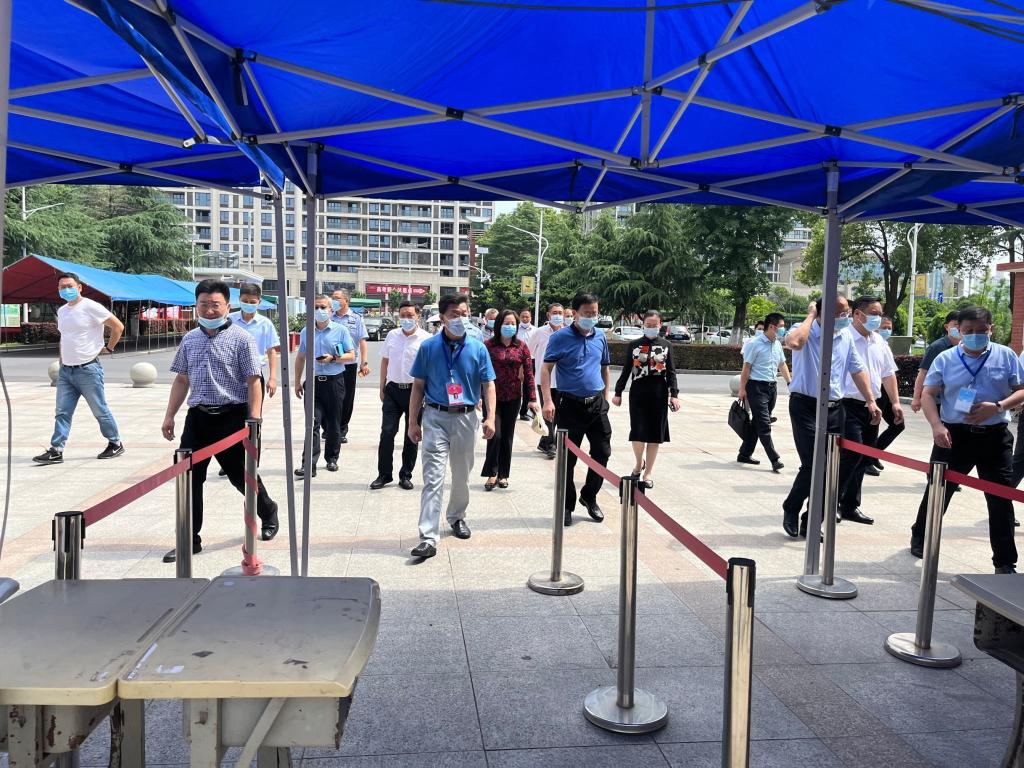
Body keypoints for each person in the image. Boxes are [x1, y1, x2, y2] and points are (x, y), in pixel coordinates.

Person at [160, 279, 279, 563]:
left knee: (242, 477)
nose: (209, 310)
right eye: (204, 304)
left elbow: (254, 381)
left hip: (232, 418)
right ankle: (189, 540)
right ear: (196, 306)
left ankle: (268, 510)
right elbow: (181, 379)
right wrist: (169, 415)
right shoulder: (190, 339)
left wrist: (254, 420)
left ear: (227, 306)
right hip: (198, 419)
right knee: (189, 480)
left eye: (215, 305)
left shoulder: (242, 339)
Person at [911, 306, 1024, 574]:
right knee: (938, 490)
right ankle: (921, 536)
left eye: (981, 330)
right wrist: (936, 426)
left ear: (991, 330)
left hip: (994, 438)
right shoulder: (946, 358)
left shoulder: (1006, 355)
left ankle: (1005, 561)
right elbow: (928, 394)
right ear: (958, 331)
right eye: (969, 331)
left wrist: (998, 406)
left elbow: (1021, 390)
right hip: (954, 436)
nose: (975, 335)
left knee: (1000, 498)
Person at [781, 297, 880, 538]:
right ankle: (791, 507)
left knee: (841, 462)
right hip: (805, 405)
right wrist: (811, 315)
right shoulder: (804, 330)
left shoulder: (845, 336)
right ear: (821, 312)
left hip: (835, 408)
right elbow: (794, 343)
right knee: (815, 462)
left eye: (846, 312)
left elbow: (857, 369)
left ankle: (813, 519)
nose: (844, 317)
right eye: (839, 313)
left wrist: (870, 400)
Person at [407, 294, 496, 559]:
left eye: (464, 314)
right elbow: (418, 386)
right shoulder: (428, 347)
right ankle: (428, 536)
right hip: (435, 416)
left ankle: (457, 516)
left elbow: (488, 384)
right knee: (433, 478)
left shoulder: (478, 348)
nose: (460, 319)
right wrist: (413, 422)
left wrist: (490, 417)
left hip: (466, 418)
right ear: (443, 318)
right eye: (455, 314)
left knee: (461, 475)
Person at [34, 272, 125, 465]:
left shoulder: (91, 306)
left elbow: (118, 326)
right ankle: (56, 450)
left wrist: (109, 348)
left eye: (70, 286)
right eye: (62, 287)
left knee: (99, 410)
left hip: (88, 369)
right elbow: (65, 337)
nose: (66, 289)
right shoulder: (62, 311)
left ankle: (115, 442)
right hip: (66, 371)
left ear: (79, 287)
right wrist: (62, 361)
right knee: (62, 412)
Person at [542, 292, 611, 526]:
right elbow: (546, 369)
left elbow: (604, 367)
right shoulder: (560, 338)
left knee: (603, 452)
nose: (591, 317)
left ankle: (589, 496)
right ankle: (567, 505)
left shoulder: (600, 336)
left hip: (597, 405)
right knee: (567, 460)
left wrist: (605, 397)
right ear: (575, 313)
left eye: (595, 313)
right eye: (587, 313)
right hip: (570, 405)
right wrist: (547, 400)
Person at [835, 297, 903, 525]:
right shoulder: (843, 338)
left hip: (872, 407)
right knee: (851, 455)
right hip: (847, 405)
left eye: (879, 313)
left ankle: (850, 505)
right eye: (873, 313)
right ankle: (832, 501)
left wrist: (895, 402)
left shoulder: (879, 341)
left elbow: (888, 373)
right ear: (857, 314)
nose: (878, 318)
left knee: (864, 457)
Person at [612, 310, 680, 489]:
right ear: (643, 325)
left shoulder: (666, 345)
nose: (651, 328)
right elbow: (626, 370)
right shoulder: (634, 345)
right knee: (638, 432)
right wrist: (618, 392)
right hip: (638, 393)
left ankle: (648, 472)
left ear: (660, 325)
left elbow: (671, 372)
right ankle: (638, 463)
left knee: (655, 434)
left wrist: (674, 395)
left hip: (659, 393)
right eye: (648, 325)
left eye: (654, 325)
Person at [220, 283, 280, 476]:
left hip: (254, 376)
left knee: (253, 418)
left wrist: (273, 378)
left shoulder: (265, 324)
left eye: (252, 302)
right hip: (231, 376)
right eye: (245, 301)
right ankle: (229, 462)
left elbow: (271, 351)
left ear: (259, 302)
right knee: (230, 418)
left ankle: (252, 460)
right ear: (239, 300)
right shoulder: (229, 320)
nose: (248, 304)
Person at [371, 302, 430, 490]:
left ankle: (405, 475)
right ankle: (384, 474)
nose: (406, 319)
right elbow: (385, 361)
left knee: (411, 434)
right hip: (393, 390)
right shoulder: (392, 335)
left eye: (410, 315)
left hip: (415, 392)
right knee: (387, 432)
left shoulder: (426, 339)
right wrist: (382, 386)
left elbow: (430, 368)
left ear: (418, 316)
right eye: (403, 315)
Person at [295, 296, 355, 477]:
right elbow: (301, 357)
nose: (319, 310)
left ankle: (332, 458)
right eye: (316, 307)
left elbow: (351, 355)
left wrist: (333, 359)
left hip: (334, 382)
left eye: (323, 307)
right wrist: (297, 381)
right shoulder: (306, 331)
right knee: (312, 423)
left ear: (331, 310)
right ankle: (308, 464)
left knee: (333, 423)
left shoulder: (341, 330)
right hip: (313, 383)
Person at [481, 309, 537, 490]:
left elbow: (529, 374)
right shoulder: (488, 346)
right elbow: (479, 372)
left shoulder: (521, 346)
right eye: (507, 323)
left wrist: (532, 398)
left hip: (513, 397)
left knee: (507, 436)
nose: (510, 326)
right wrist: (477, 397)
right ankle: (492, 473)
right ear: (499, 325)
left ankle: (503, 474)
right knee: (494, 434)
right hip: (492, 398)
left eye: (513, 323)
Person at [737, 312, 789, 472]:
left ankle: (744, 453)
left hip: (772, 388)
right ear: (772, 327)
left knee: (757, 423)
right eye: (781, 326)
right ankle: (774, 459)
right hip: (756, 387)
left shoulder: (777, 344)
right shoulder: (754, 344)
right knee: (764, 424)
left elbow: (782, 364)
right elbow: (746, 367)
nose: (783, 329)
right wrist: (742, 388)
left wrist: (790, 383)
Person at [331, 289, 370, 444]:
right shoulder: (329, 316)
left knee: (347, 398)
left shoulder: (356, 318)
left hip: (349, 363)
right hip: (331, 362)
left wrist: (364, 362)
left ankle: (342, 429)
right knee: (331, 397)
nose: (333, 300)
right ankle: (330, 428)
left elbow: (362, 341)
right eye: (332, 298)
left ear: (346, 300)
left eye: (337, 298)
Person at [868, 315, 906, 474]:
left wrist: (895, 401)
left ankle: (874, 452)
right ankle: (867, 459)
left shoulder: (884, 345)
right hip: (873, 392)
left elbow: (889, 373)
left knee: (898, 425)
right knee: (872, 426)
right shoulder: (868, 343)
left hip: (885, 391)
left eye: (889, 328)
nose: (886, 330)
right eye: (883, 327)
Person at [528, 303, 566, 459]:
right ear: (548, 315)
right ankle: (551, 444)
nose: (558, 316)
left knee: (560, 413)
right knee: (548, 412)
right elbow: (528, 353)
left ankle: (545, 441)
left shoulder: (567, 333)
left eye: (560, 313)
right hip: (545, 380)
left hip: (563, 380)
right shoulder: (539, 332)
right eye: (554, 313)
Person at [912, 311, 960, 413]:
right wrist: (916, 398)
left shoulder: (968, 347)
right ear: (946, 327)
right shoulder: (937, 347)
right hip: (940, 400)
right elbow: (923, 373)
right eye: (956, 324)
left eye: (962, 324)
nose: (959, 328)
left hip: (960, 398)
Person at [518, 308, 537, 420]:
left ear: (531, 318)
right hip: (516, 361)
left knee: (528, 387)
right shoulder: (515, 329)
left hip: (531, 361)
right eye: (523, 316)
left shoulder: (535, 330)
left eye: (527, 317)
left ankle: (524, 412)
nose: (525, 319)